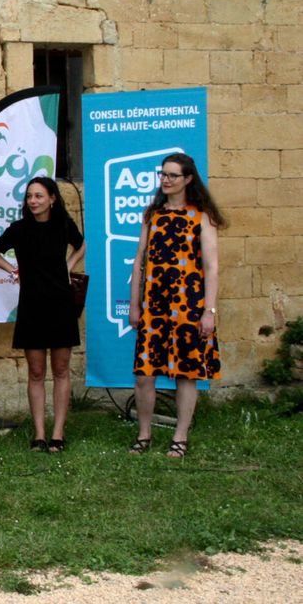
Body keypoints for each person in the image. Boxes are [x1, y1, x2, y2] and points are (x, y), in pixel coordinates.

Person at [128, 153, 225, 458]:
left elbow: (211, 267)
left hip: (188, 305)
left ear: (188, 179)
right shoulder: (152, 214)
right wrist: (135, 305)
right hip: (155, 306)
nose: (166, 180)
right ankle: (144, 435)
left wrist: (209, 311)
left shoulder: (202, 216)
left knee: (187, 373)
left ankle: (180, 437)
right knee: (144, 374)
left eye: (172, 175)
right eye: (163, 174)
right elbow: (139, 262)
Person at [0, 177, 86, 453]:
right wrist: (11, 269)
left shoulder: (64, 225)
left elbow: (82, 245)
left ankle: (58, 434)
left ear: (52, 198)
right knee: (37, 372)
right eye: (29, 196)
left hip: (61, 304)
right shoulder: (19, 229)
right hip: (31, 305)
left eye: (39, 196)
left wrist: (69, 265)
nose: (33, 201)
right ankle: (39, 434)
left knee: (62, 370)